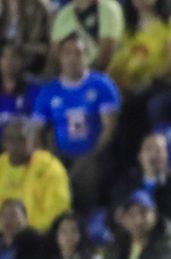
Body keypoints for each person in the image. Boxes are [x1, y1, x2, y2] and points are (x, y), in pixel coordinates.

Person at [32, 34, 120, 211]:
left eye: (78, 53)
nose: (72, 58)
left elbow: (109, 128)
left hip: (94, 153)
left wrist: (91, 155)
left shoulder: (102, 85)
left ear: (86, 56)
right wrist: (46, 160)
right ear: (60, 57)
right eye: (67, 53)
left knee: (85, 174)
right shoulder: (49, 91)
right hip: (60, 155)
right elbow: (36, 131)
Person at [0, 116, 70, 234]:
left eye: (20, 140)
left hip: (37, 237)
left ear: (34, 141)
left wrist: (24, 231)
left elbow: (56, 215)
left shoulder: (50, 168)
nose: (13, 146)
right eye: (9, 140)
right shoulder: (2, 164)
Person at [109, 130, 171, 228]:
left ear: (166, 156)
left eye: (158, 150)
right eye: (148, 149)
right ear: (139, 156)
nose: (153, 155)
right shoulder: (126, 182)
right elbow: (113, 214)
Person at [49, 0, 124, 71]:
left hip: (100, 78)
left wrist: (84, 79)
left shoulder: (108, 8)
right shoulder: (64, 14)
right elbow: (55, 57)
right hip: (69, 78)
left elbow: (104, 58)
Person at [0, 0, 52, 72]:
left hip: (28, 64)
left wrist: (22, 47)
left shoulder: (37, 10)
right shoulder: (3, 9)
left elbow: (45, 48)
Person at [0, 43, 40, 128]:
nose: (9, 61)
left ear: (22, 62)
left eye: (14, 57)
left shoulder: (33, 90)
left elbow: (38, 122)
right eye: (5, 57)